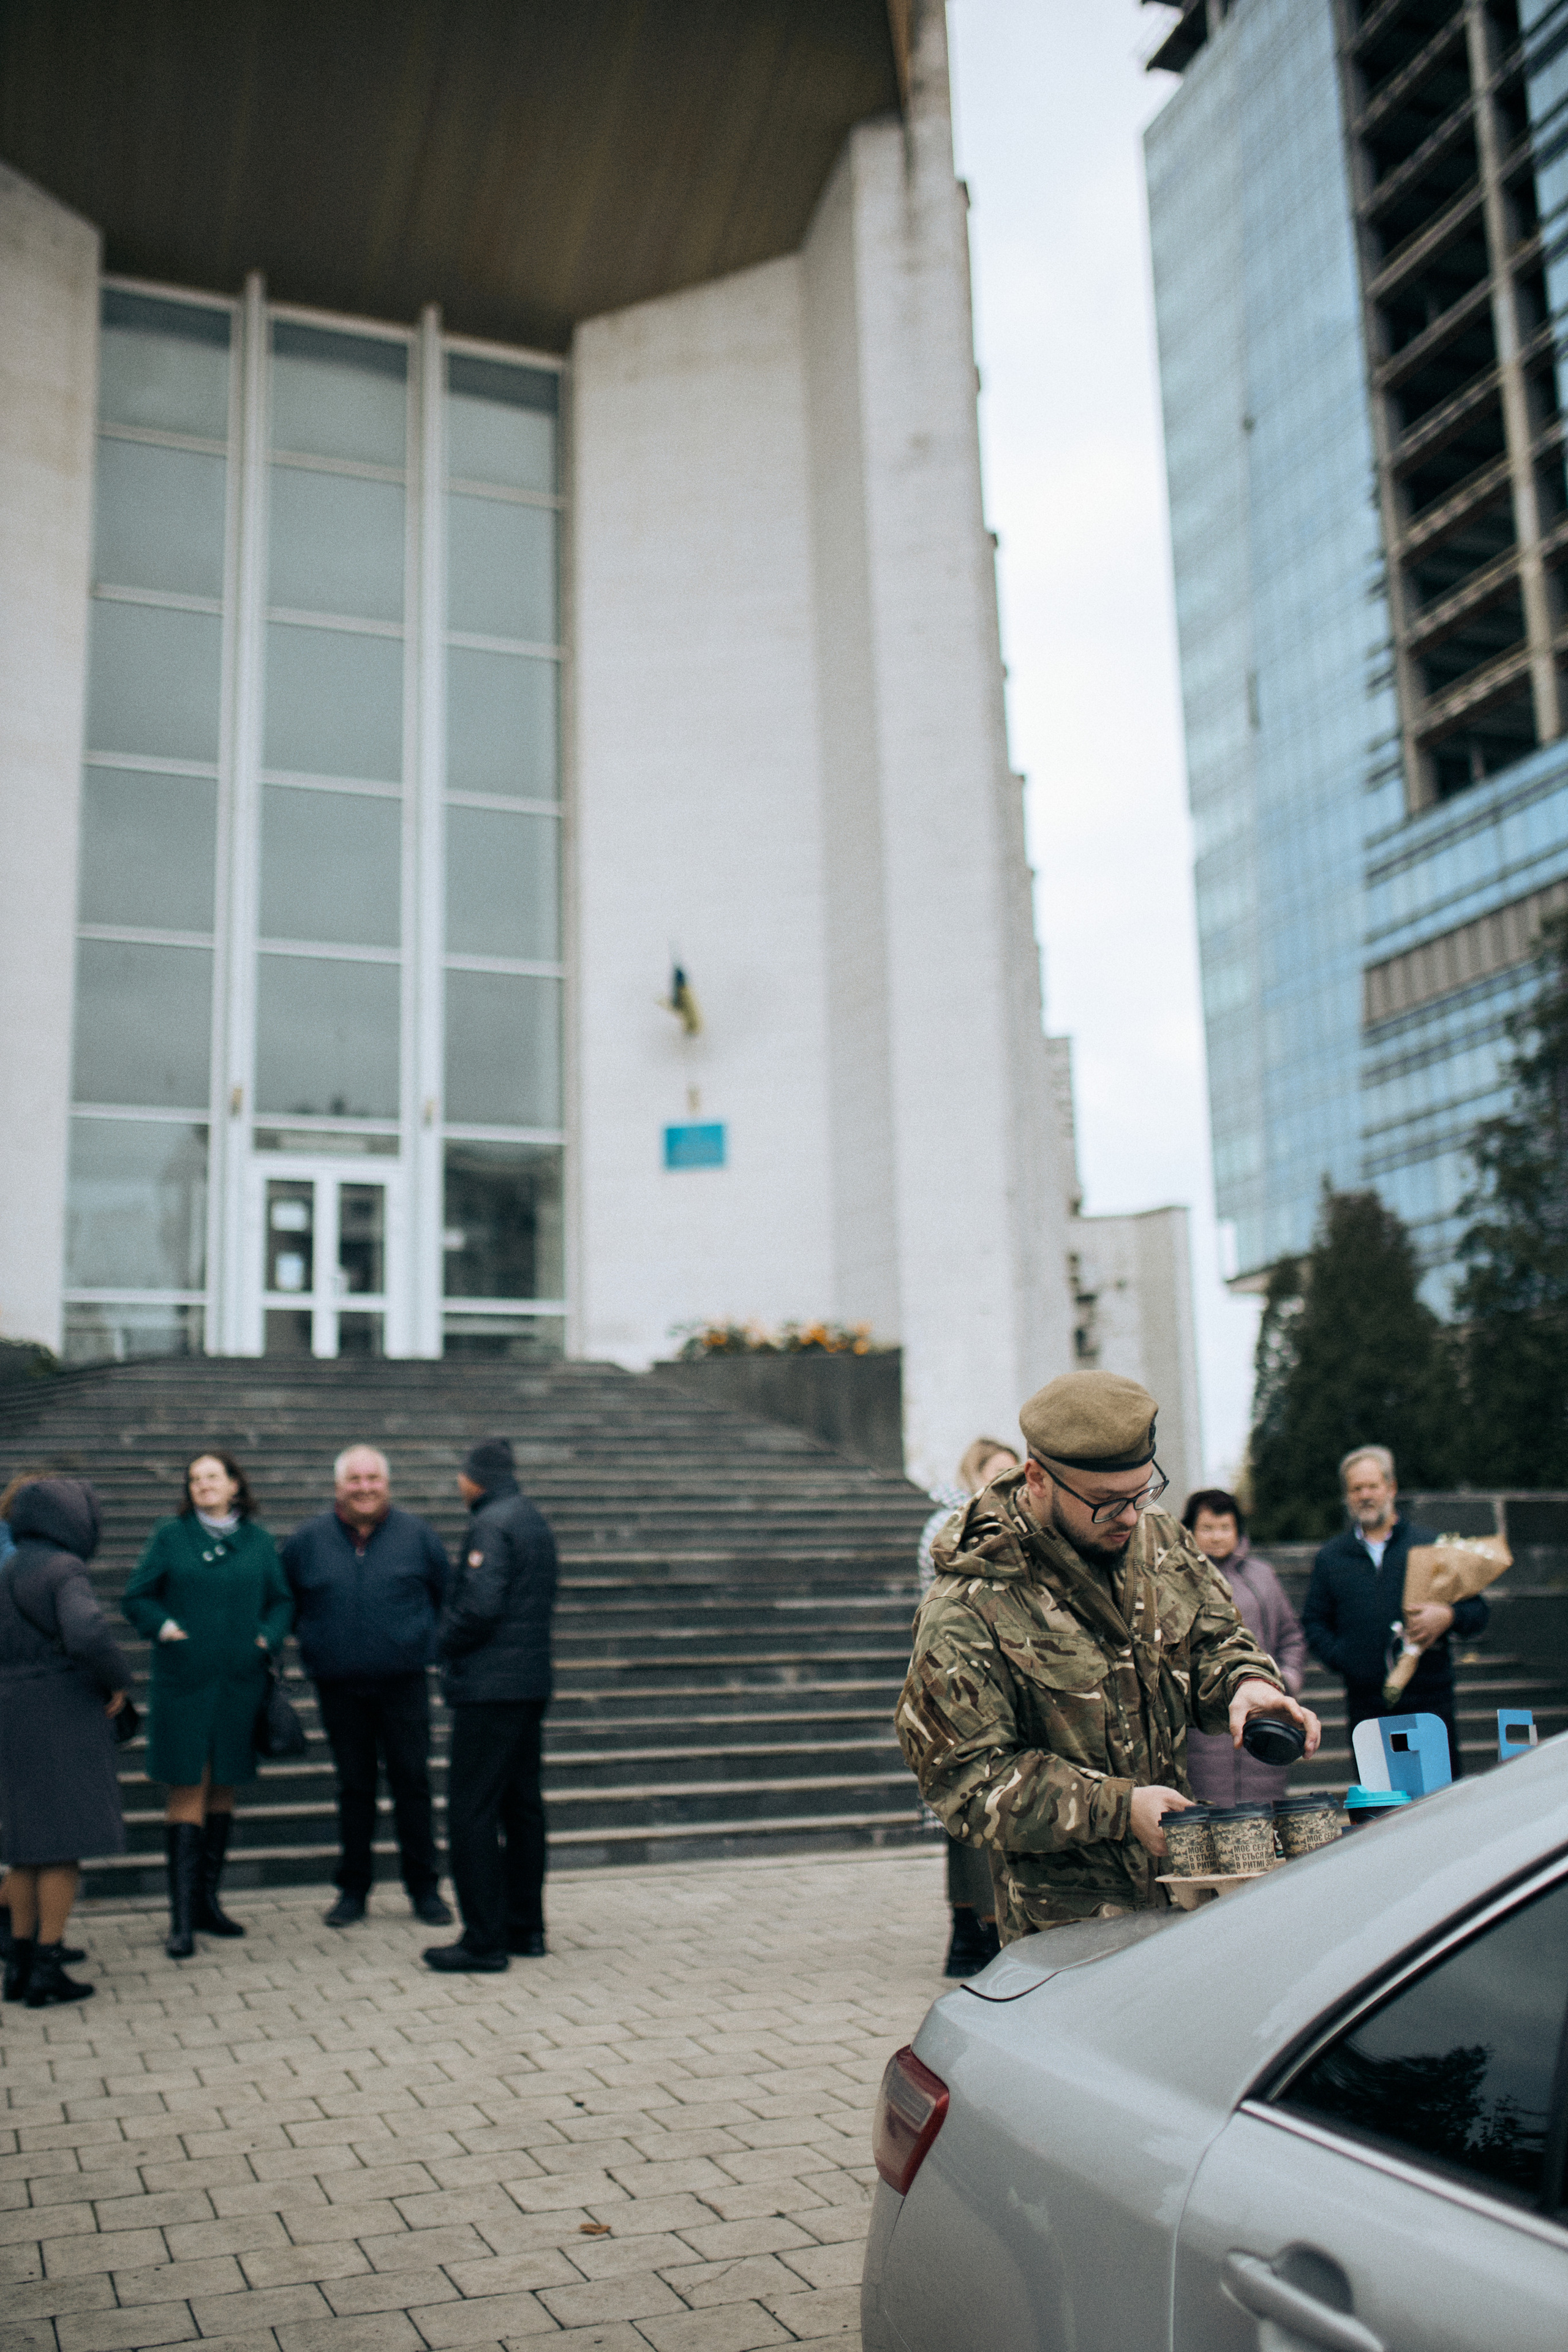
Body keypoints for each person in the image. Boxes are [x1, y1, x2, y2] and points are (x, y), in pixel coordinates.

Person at [897, 1371, 1319, 1943]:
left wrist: (1245, 1684)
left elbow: (1215, 1642)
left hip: (1187, 1902)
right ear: (1037, 1479)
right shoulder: (969, 1607)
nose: (1129, 1516)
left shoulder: (1157, 1539)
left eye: (1143, 1492)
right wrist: (1118, 1809)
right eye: (1106, 1503)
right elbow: (967, 1781)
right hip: (1069, 1935)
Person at [123, 1452, 294, 1959]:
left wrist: (268, 1637)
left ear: (236, 1485)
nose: (202, 1485)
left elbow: (282, 1600)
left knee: (223, 1789)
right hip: (185, 1684)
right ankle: (180, 1922)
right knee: (187, 1787)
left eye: (212, 1477)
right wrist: (164, 1627)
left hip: (240, 1684)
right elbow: (137, 1597)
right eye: (194, 1479)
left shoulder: (260, 1542)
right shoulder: (170, 1536)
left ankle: (207, 1905)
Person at [281, 1446, 452, 1928]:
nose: (364, 1488)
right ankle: (353, 1890)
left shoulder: (418, 1536)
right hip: (338, 1688)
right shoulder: (308, 1540)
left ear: (387, 1484)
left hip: (404, 1684)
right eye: (354, 1480)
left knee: (412, 1786)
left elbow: (447, 1597)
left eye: (372, 1479)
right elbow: (283, 1600)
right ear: (339, 1487)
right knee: (354, 1790)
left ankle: (425, 1890)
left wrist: (423, 1643)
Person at [424, 1436, 557, 1973]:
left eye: (462, 1473)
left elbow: (480, 1606)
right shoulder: (531, 1519)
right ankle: (526, 1928)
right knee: (522, 1807)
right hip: (528, 1684)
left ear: (476, 1478)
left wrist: (442, 1642)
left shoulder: (490, 1523)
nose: (459, 1483)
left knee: (472, 1809)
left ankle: (483, 1939)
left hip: (490, 1689)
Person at [0, 1478, 131, 2004]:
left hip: (11, 1711)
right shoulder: (64, 1569)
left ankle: (21, 1963)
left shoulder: (7, 1567)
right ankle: (49, 1968)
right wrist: (117, 1680)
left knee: (25, 1849)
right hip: (59, 1710)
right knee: (62, 1845)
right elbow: (87, 1632)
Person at [1303, 1444, 1487, 1782]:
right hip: (1367, 1707)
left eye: (1373, 1486)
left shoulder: (1430, 1546)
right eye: (1356, 1489)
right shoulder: (1331, 1558)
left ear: (1392, 1488)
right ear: (1347, 1495)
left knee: (1439, 1803)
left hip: (1429, 1701)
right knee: (1380, 1808)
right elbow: (1314, 1623)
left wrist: (1448, 1615)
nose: (1365, 1495)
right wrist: (1345, 1658)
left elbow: (1477, 1611)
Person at [918, 1437, 1020, 1977]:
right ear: (974, 1476)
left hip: (975, 1682)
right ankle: (985, 1932)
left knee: (970, 1816)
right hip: (959, 1686)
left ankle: (969, 1939)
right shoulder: (952, 1529)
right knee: (978, 1810)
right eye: (999, 1473)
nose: (1010, 1483)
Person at [1180, 1488, 1308, 1805]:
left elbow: (1291, 1636)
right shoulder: (1179, 1579)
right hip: (1203, 1726)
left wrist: (1285, 1680)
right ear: (1190, 1530)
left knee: (1265, 1813)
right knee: (1208, 1811)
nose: (1217, 1537)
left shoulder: (1262, 1577)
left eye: (1225, 1528)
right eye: (1207, 1528)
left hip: (1264, 1712)